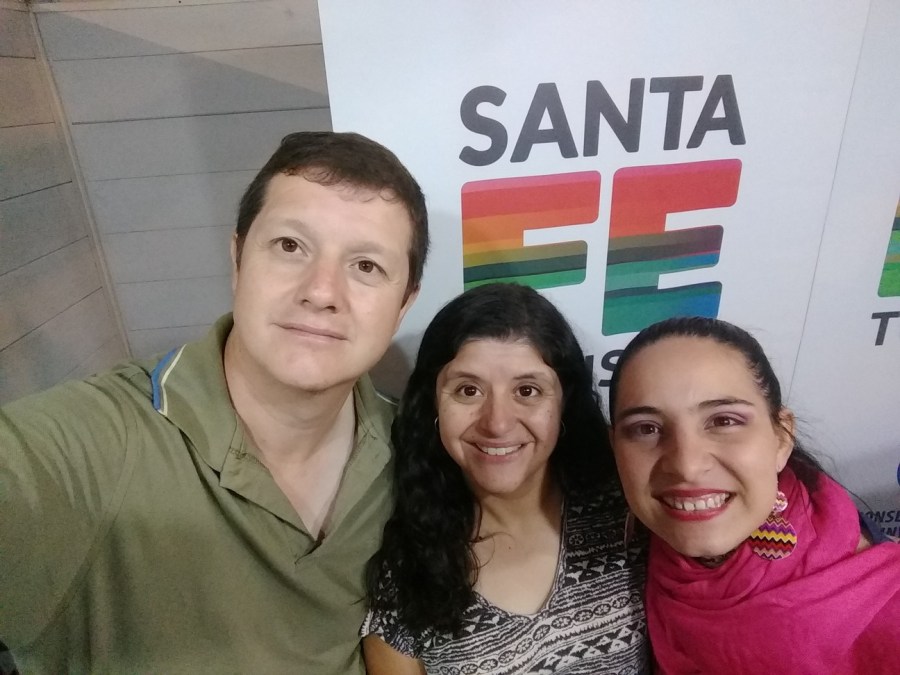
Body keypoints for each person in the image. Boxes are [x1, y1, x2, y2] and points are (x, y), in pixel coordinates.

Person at [0, 131, 428, 674]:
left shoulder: (413, 451)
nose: (321, 291)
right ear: (237, 259)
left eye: (366, 266)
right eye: (290, 246)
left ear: (403, 303)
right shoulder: (98, 445)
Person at [362, 283, 650, 675]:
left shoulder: (630, 517)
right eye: (468, 390)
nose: (497, 423)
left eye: (527, 390)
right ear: (432, 403)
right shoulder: (406, 576)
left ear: (564, 401)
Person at [608, 316, 900, 675]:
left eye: (724, 421)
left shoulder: (887, 608)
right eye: (646, 429)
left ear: (781, 438)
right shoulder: (639, 557)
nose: (686, 466)